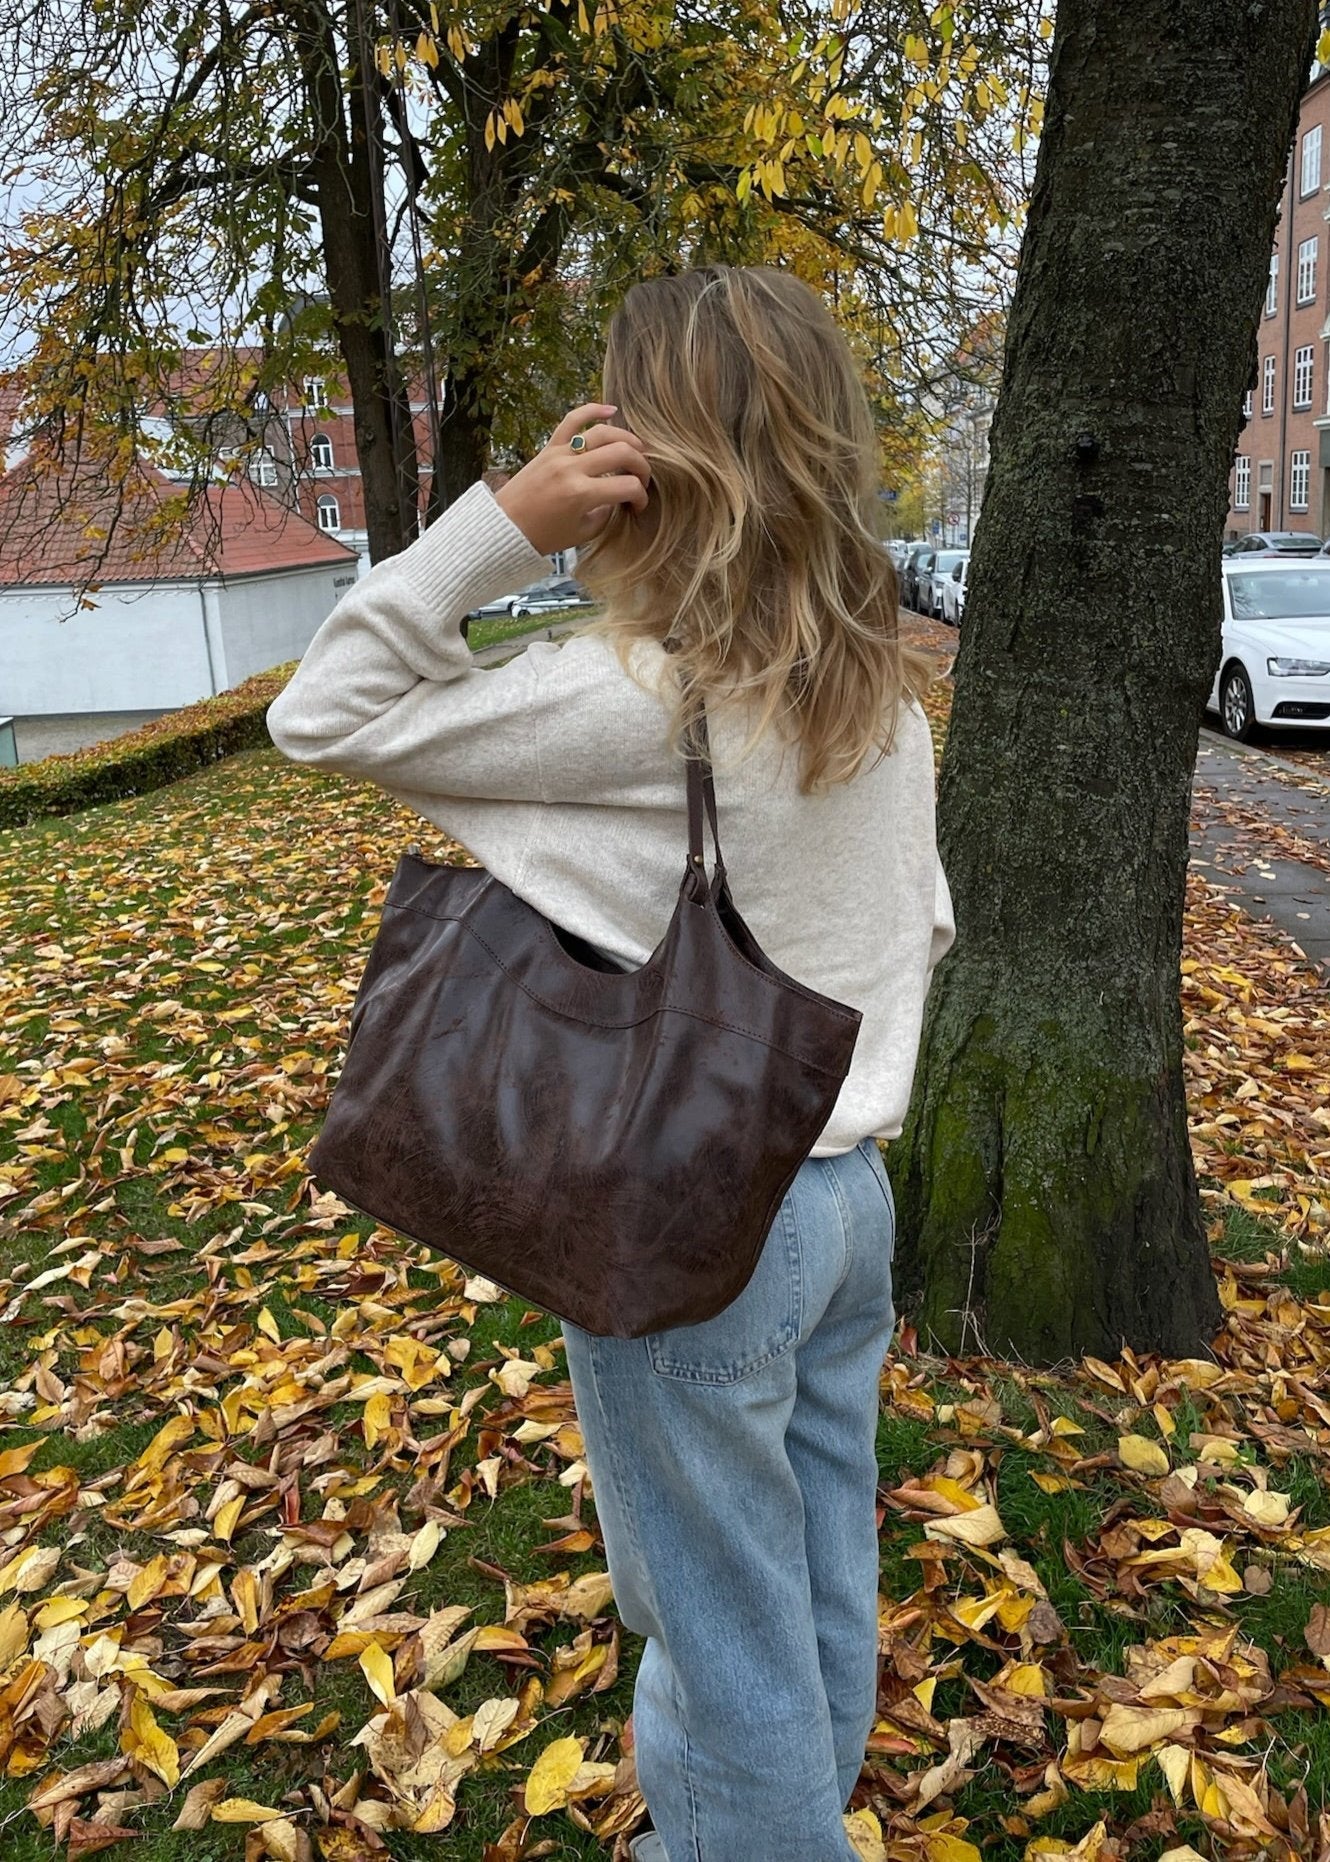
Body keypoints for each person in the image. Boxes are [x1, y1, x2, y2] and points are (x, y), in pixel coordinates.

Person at [266, 264, 955, 1862]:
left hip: (693, 1230)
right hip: (846, 1203)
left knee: (715, 1632)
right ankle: (777, 1825)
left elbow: (328, 706)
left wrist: (510, 517)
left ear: (655, 462)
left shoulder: (644, 697)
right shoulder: (880, 698)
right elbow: (913, 928)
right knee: (806, 1574)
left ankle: (754, 1842)